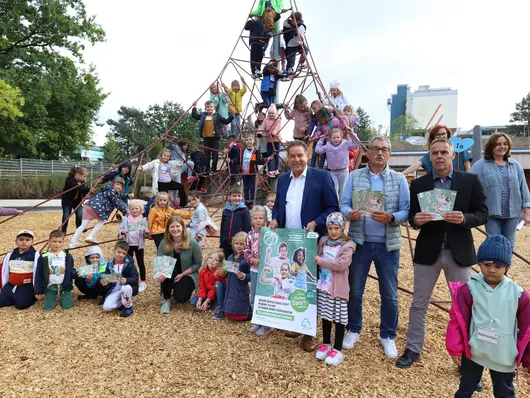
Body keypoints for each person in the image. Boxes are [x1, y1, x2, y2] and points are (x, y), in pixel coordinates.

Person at [396, 138, 488, 369]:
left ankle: (466, 356)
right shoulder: (419, 185)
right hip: (428, 252)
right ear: (430, 156)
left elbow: (483, 213)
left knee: (464, 305)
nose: (438, 156)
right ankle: (413, 348)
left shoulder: (470, 181)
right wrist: (416, 220)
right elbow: (413, 217)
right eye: (434, 152)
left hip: (459, 252)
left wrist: (465, 219)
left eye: (443, 152)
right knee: (419, 303)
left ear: (452, 154)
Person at [340, 135, 410, 358]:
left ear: (389, 153)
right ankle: (353, 328)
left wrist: (391, 217)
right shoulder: (354, 176)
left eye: (385, 149)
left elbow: (406, 211)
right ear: (368, 152)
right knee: (355, 290)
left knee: (389, 293)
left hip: (388, 245)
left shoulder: (399, 180)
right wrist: (349, 214)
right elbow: (343, 205)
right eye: (376, 149)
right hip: (360, 242)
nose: (380, 152)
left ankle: (388, 334)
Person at [270, 139, 339, 352]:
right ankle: (294, 323)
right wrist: (274, 219)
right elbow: (279, 207)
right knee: (292, 282)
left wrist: (317, 222)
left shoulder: (322, 177)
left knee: (310, 285)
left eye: (300, 155)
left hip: (311, 241)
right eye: (293, 156)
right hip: (287, 239)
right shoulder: (282, 180)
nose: (297, 159)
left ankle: (310, 332)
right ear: (287, 159)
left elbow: (333, 207)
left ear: (307, 156)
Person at [446, 235, 530, 397]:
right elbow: (457, 319)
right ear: (478, 264)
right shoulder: (468, 289)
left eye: (498, 266)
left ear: (507, 267)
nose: (491, 270)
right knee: (465, 388)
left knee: (505, 392)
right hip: (475, 350)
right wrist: (455, 348)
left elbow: (527, 328)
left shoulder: (519, 295)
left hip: (503, 354)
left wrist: (527, 357)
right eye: (486, 265)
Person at [470, 132, 530, 249]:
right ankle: (494, 267)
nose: (502, 147)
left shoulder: (515, 165)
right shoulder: (480, 166)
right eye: (498, 144)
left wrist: (527, 212)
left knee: (509, 244)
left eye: (505, 144)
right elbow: (469, 184)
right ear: (491, 147)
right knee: (494, 243)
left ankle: (505, 267)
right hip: (491, 213)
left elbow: (524, 188)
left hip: (513, 213)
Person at [314, 213, 355, 367]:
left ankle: (337, 348)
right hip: (324, 285)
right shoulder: (324, 241)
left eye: (336, 228)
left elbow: (340, 265)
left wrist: (321, 261)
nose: (333, 231)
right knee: (325, 314)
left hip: (338, 287)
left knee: (338, 318)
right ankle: (326, 343)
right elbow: (317, 255)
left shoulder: (347, 246)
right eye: (330, 228)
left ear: (342, 228)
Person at [157, 216, 202, 314]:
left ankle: (180, 287)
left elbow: (198, 264)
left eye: (178, 226)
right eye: (172, 227)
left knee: (180, 298)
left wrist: (182, 274)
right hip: (170, 272)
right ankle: (166, 300)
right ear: (168, 229)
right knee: (167, 270)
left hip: (187, 274)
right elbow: (160, 260)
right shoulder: (163, 243)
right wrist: (161, 273)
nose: (175, 229)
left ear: (182, 227)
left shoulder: (192, 243)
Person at [68, 177, 129, 248]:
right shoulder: (112, 192)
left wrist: (127, 195)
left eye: (121, 186)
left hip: (89, 206)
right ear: (113, 184)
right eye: (118, 184)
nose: (119, 187)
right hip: (97, 208)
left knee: (83, 225)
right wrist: (125, 211)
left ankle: (72, 242)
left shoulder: (108, 189)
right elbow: (117, 203)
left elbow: (119, 196)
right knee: (101, 221)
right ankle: (90, 236)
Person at [402, 124, 472, 176]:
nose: (441, 136)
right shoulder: (431, 154)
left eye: (443, 134)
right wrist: (401, 174)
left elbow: (468, 168)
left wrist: (467, 180)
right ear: (434, 138)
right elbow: (417, 164)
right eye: (438, 134)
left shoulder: (459, 149)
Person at [244, 205, 271, 335]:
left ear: (266, 219)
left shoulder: (270, 233)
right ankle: (257, 321)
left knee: (266, 296)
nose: (258, 220)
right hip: (254, 270)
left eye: (261, 218)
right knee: (254, 296)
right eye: (255, 218)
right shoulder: (250, 235)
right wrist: (252, 260)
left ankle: (267, 324)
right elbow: (246, 251)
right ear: (251, 220)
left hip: (267, 271)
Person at [94, 240, 137, 318]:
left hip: (126, 288)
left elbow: (135, 278)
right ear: (114, 251)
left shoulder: (129, 264)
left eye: (124, 253)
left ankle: (128, 307)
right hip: (115, 289)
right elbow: (109, 281)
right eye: (119, 252)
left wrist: (126, 280)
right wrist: (106, 284)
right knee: (106, 307)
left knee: (125, 288)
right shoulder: (109, 265)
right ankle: (123, 302)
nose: (121, 255)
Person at [34, 230, 75, 311]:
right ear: (49, 241)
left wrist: (77, 275)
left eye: (60, 242)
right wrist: (37, 290)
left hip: (64, 285)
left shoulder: (67, 256)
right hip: (50, 286)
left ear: (63, 242)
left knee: (68, 307)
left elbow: (70, 270)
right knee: (48, 308)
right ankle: (51, 296)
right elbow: (38, 273)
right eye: (54, 241)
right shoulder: (44, 256)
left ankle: (65, 297)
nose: (57, 244)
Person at [191, 100, 234, 174]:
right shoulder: (203, 116)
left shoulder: (217, 116)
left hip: (215, 138)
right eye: (207, 107)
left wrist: (232, 116)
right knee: (206, 155)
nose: (209, 108)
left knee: (215, 154)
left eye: (211, 106)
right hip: (206, 138)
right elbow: (194, 116)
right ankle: (207, 169)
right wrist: (194, 107)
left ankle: (213, 169)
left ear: (214, 108)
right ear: (205, 108)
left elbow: (226, 121)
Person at [0, 230, 40, 309]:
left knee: (21, 305)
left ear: (32, 242)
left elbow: (38, 272)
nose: (24, 242)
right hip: (11, 284)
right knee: (1, 302)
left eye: (27, 240)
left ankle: (27, 296)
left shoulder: (35, 255)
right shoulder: (10, 255)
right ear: (16, 242)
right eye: (21, 239)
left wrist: (38, 290)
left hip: (26, 285)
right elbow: (4, 271)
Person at [316, 128, 358, 200]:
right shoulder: (327, 146)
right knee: (334, 189)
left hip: (343, 170)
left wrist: (352, 134)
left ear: (341, 137)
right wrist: (321, 140)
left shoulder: (346, 144)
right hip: (333, 171)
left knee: (342, 189)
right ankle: (336, 205)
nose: (336, 139)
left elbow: (355, 145)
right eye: (334, 137)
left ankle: (341, 206)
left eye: (338, 137)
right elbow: (318, 150)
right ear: (330, 138)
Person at [218, 232, 251, 321]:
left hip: (240, 287)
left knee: (240, 305)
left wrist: (244, 276)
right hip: (230, 285)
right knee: (230, 304)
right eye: (236, 243)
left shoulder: (247, 259)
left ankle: (246, 314)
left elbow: (251, 276)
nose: (239, 246)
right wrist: (223, 272)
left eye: (242, 244)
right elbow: (226, 271)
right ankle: (227, 311)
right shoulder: (230, 257)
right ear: (233, 244)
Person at [120, 199, 149, 293]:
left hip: (139, 244)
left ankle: (143, 281)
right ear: (129, 209)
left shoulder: (143, 219)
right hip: (129, 244)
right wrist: (122, 232)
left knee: (141, 262)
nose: (134, 211)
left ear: (140, 209)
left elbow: (146, 234)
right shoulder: (126, 218)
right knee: (128, 262)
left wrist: (147, 232)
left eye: (136, 209)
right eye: (132, 209)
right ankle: (128, 279)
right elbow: (120, 229)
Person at [191, 250, 226, 320]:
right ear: (207, 259)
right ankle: (209, 304)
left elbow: (213, 289)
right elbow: (202, 286)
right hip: (207, 292)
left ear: (219, 263)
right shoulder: (203, 271)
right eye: (210, 258)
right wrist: (200, 299)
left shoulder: (218, 273)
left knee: (217, 286)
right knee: (194, 302)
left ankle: (217, 306)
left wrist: (207, 300)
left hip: (216, 293)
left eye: (216, 260)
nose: (212, 261)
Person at [220, 184, 251, 258]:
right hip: (227, 243)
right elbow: (222, 228)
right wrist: (221, 243)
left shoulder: (245, 211)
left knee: (238, 261)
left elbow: (247, 228)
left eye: (239, 196)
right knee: (227, 261)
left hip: (239, 244)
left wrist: (245, 243)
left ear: (242, 197)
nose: (237, 198)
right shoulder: (226, 210)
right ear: (229, 196)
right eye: (234, 196)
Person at [61, 166, 90, 232]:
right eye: (84, 176)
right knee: (66, 215)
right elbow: (77, 188)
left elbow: (84, 190)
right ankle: (63, 230)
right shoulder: (69, 180)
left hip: (77, 201)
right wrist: (87, 189)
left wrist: (87, 193)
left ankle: (79, 227)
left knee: (80, 214)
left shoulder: (82, 182)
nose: (85, 178)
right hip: (67, 201)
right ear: (78, 175)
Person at [258, 104, 282, 177]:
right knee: (269, 156)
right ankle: (270, 170)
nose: (271, 115)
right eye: (269, 113)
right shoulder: (266, 120)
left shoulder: (278, 119)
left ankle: (276, 169)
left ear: (275, 113)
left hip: (276, 139)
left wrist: (273, 133)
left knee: (276, 155)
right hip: (269, 140)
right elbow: (262, 126)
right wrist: (259, 133)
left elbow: (278, 127)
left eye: (273, 113)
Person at [241, 134, 265, 206]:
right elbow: (239, 159)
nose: (249, 141)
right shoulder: (242, 150)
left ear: (253, 141)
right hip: (244, 172)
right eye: (247, 140)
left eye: (250, 140)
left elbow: (259, 161)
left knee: (252, 187)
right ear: (245, 141)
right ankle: (246, 200)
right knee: (245, 187)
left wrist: (266, 159)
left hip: (252, 172)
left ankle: (251, 200)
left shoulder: (255, 151)